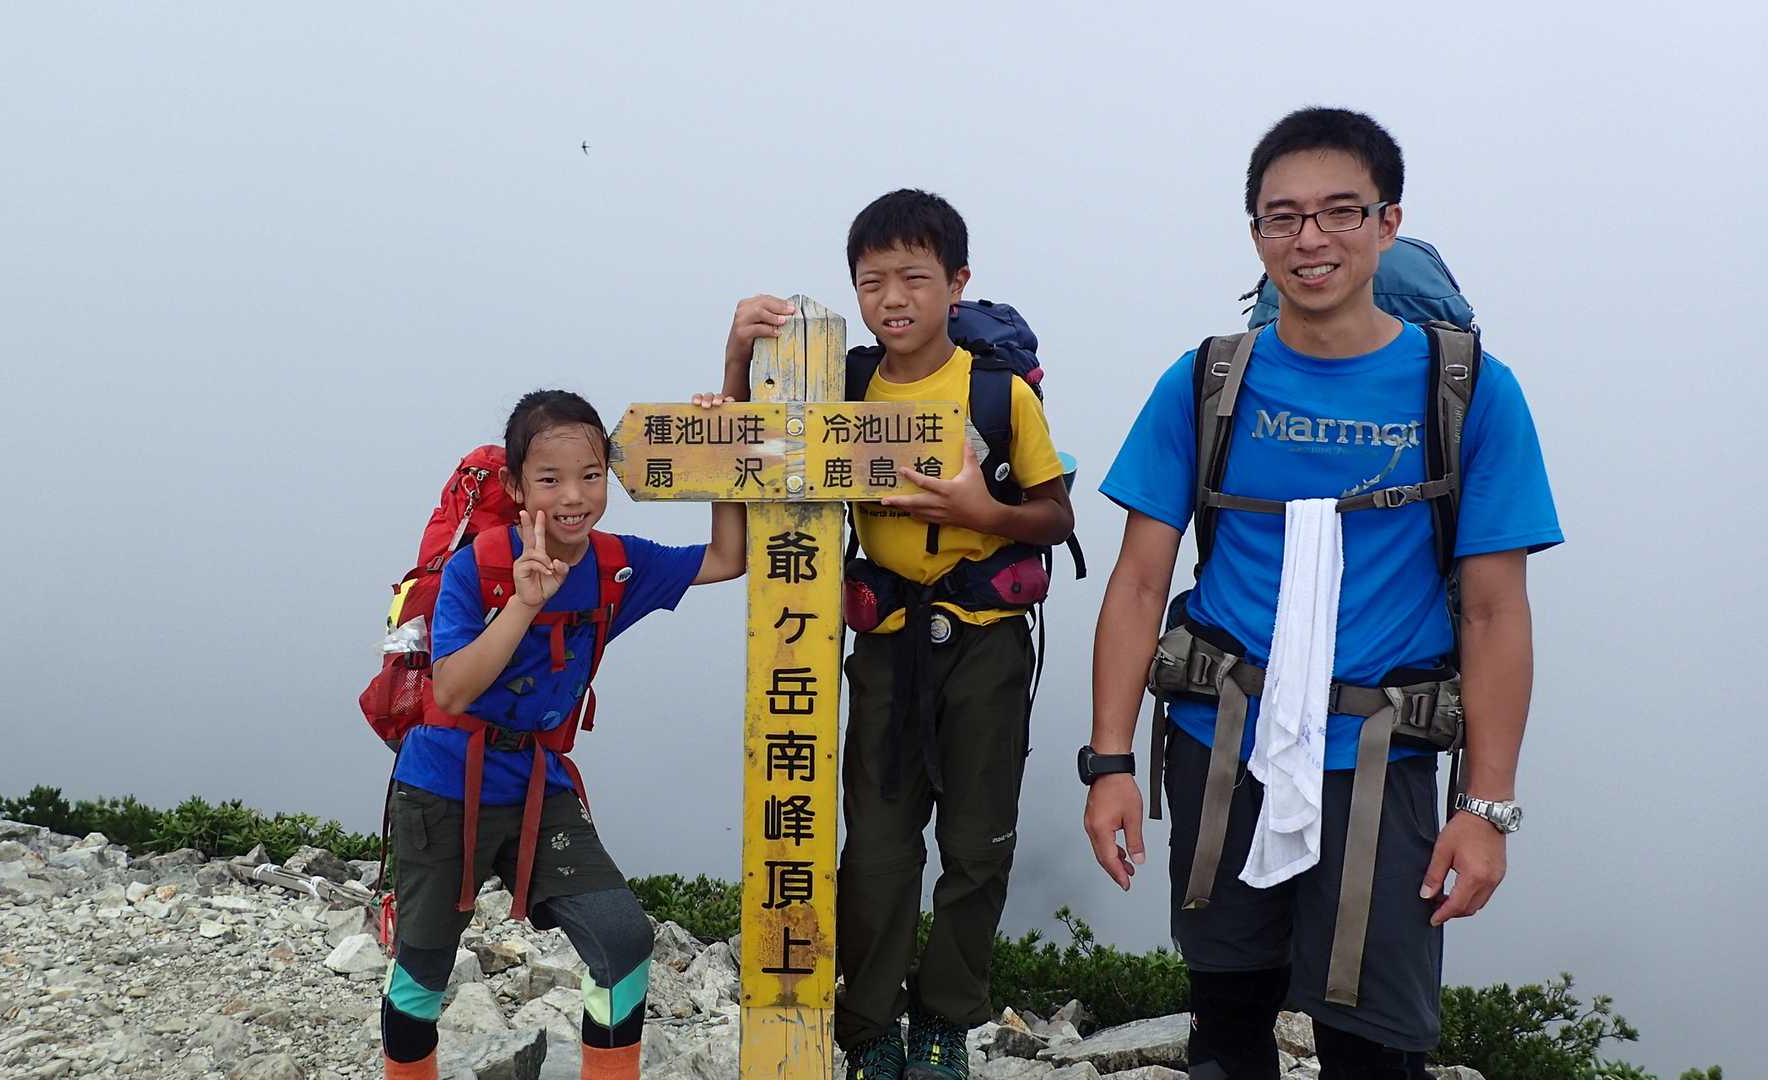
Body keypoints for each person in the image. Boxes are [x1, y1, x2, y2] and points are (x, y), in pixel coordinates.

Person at [1084, 107, 1562, 1079]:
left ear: (1388, 223)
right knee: (1227, 1022)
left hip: (1382, 761)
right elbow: (1137, 583)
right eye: (1283, 217)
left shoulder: (1468, 391)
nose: (1310, 239)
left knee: (1373, 1045)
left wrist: (1488, 809)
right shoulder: (1206, 382)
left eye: (1341, 212)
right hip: (1220, 744)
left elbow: (1494, 611)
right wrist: (1109, 763)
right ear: (1256, 234)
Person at [727, 188, 1076, 1080]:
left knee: (977, 842)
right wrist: (736, 355)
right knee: (877, 845)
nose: (892, 298)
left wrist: (982, 511)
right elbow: (750, 448)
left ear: (957, 283)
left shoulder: (998, 395)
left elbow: (1055, 515)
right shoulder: (842, 388)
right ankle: (871, 1025)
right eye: (872, 280)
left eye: (914, 278)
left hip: (987, 640)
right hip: (885, 642)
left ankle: (945, 1024)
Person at [381, 387, 748, 1080]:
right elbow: (451, 690)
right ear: (516, 486)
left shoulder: (615, 565)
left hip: (536, 786)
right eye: (549, 480)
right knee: (424, 968)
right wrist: (524, 604)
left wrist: (726, 433)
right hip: (442, 786)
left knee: (623, 941)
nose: (574, 497)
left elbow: (729, 557)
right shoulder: (478, 567)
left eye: (591, 475)